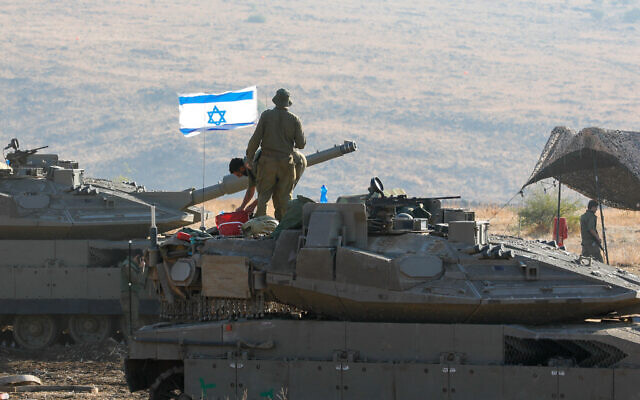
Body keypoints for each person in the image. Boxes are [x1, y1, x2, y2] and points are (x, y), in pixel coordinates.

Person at [245, 88, 306, 220]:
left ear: (275, 101)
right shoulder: (295, 119)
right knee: (285, 197)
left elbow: (256, 138)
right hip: (287, 163)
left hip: (267, 162)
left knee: (263, 196)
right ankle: (282, 226)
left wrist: (249, 158)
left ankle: (261, 225)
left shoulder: (266, 116)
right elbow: (301, 144)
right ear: (287, 103)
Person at [229, 149, 307, 214]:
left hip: (294, 161)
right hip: (288, 161)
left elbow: (268, 188)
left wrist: (253, 205)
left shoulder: (256, 165)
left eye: (239, 175)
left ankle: (288, 223)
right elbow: (250, 190)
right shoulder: (249, 167)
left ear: (241, 168)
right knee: (278, 196)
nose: (241, 176)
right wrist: (242, 207)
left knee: (283, 196)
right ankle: (282, 222)